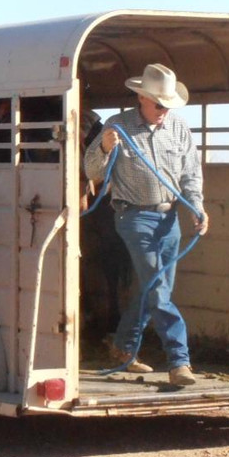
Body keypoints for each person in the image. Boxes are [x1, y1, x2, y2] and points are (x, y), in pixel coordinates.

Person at [83, 63, 208, 387]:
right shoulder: (118, 126)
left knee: (154, 288)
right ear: (142, 98)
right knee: (157, 287)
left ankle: (123, 346)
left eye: (167, 105)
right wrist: (105, 148)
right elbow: (91, 169)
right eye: (159, 104)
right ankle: (179, 360)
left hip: (169, 218)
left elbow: (190, 173)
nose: (164, 111)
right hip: (133, 217)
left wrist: (196, 207)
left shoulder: (178, 128)